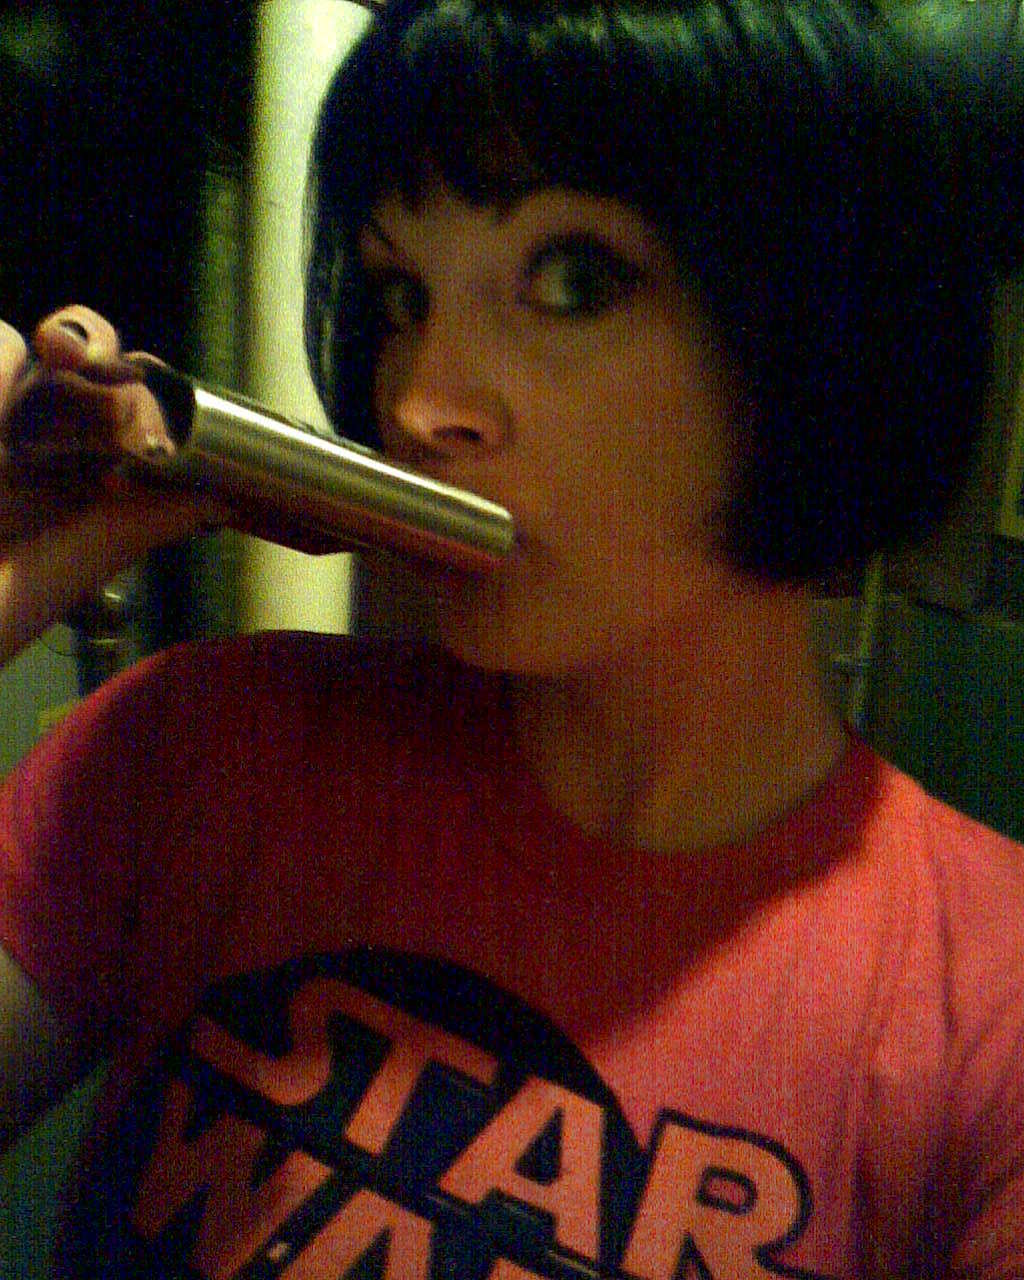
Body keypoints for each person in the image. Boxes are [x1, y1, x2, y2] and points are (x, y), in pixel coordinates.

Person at [1, 0, 1023, 1275]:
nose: (420, 403)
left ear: (828, 330)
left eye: (572, 279)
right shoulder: (192, 748)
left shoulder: (989, 999)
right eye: (401, 294)